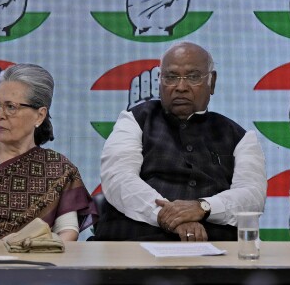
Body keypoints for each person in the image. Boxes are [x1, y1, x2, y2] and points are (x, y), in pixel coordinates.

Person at [94, 42, 267, 241]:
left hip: (214, 242)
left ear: (212, 81)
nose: (181, 87)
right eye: (171, 77)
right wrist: (168, 216)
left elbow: (252, 196)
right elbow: (119, 179)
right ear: (160, 81)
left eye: (193, 77)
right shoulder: (134, 119)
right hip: (136, 237)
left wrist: (203, 207)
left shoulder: (240, 137)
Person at [0, 63, 94, 241]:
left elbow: (68, 231)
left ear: (40, 115)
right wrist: (3, 249)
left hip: (37, 264)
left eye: (10, 107)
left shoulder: (59, 168)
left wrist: (42, 252)